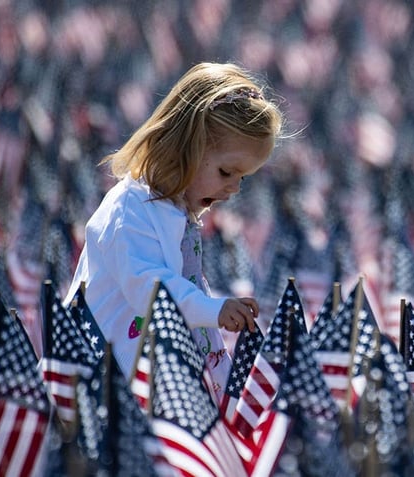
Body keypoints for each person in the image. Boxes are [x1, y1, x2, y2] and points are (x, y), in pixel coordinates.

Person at [64, 62, 284, 403]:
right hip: (103, 383)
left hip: (151, 381)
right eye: (227, 172)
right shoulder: (129, 209)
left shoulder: (174, 212)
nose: (235, 188)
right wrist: (214, 310)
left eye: (243, 178)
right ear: (187, 146)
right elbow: (151, 290)